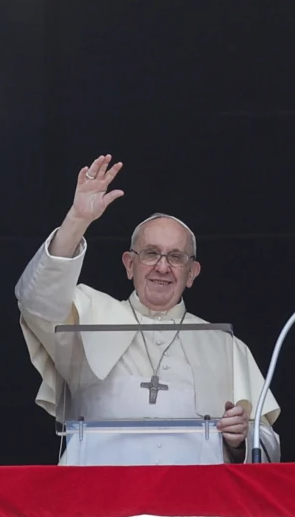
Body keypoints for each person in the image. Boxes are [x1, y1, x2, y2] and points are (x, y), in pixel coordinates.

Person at [16, 154, 281, 465]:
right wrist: (77, 220)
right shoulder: (87, 315)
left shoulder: (224, 345)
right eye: (151, 253)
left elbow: (267, 444)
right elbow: (36, 300)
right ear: (130, 264)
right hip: (101, 500)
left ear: (192, 273)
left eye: (176, 257)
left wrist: (241, 439)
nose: (162, 266)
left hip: (192, 506)